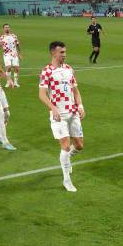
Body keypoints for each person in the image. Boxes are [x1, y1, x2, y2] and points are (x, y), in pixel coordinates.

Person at [38, 41, 85, 192]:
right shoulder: (47, 71)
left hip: (73, 112)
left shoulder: (69, 69)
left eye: (65, 52)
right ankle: (67, 180)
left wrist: (81, 106)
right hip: (59, 116)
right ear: (53, 53)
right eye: (62, 52)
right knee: (65, 146)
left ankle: (67, 159)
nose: (64, 55)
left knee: (79, 146)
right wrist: (53, 108)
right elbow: (42, 94)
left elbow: (75, 91)